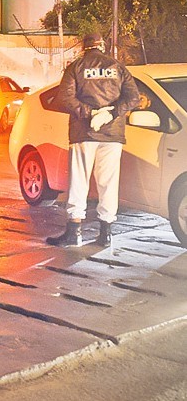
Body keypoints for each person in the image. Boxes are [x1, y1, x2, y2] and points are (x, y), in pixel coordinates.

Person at [46, 33, 140, 247]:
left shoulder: (76, 67)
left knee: (79, 181)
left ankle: (74, 232)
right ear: (102, 46)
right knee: (108, 182)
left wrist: (89, 113)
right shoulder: (118, 68)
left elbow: (66, 97)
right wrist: (111, 112)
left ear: (84, 47)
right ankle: (105, 234)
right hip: (112, 133)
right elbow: (133, 98)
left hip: (83, 133)